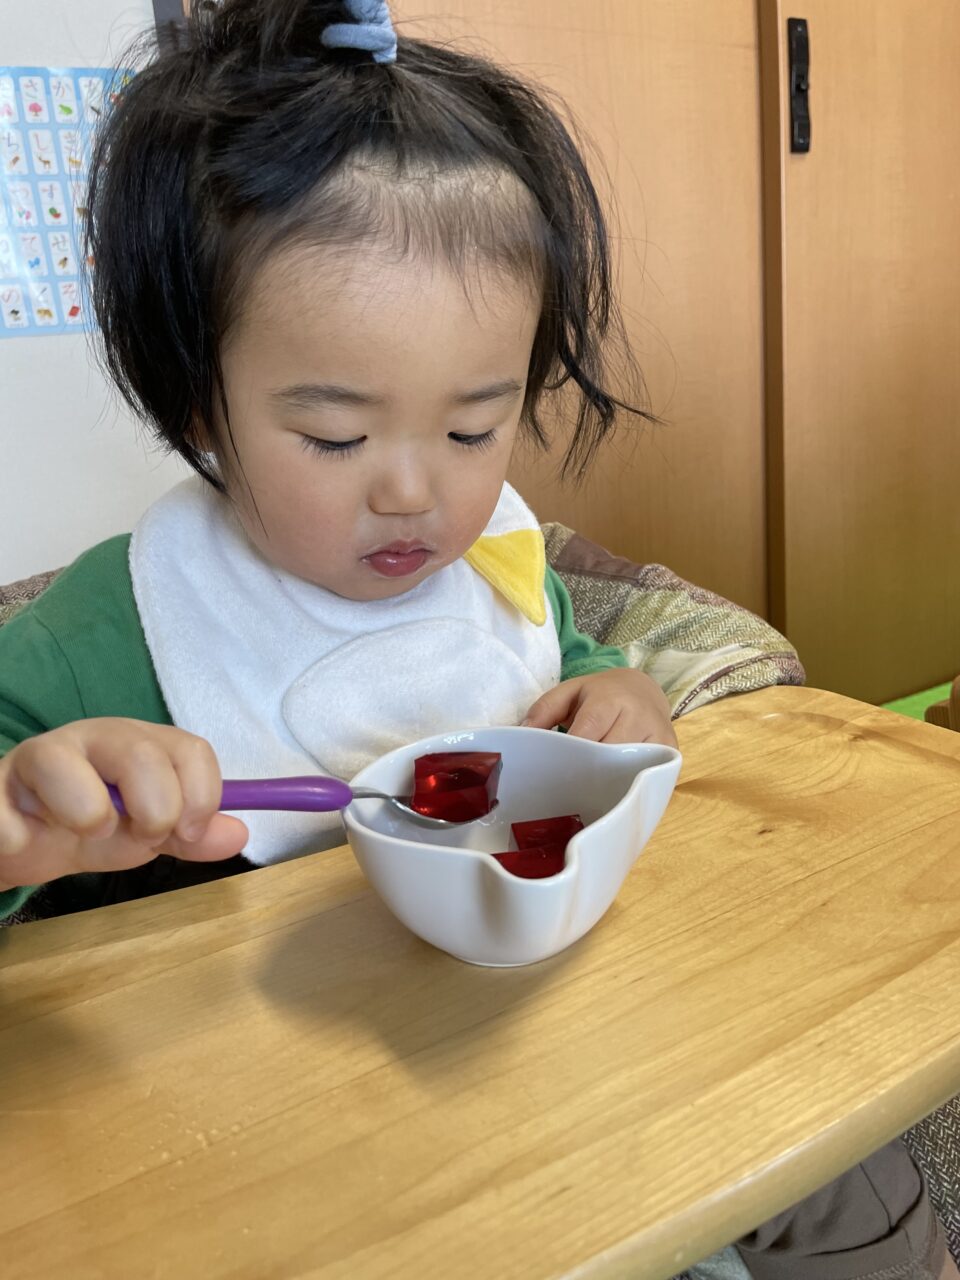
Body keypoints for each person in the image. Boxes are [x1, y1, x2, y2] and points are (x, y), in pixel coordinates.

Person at [0, 4, 953, 1278]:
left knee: (833, 1140)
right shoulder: (112, 630)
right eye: (336, 437)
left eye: (473, 428)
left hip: (568, 1028)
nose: (416, 492)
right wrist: (30, 816)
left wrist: (618, 693)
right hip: (314, 1128)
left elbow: (549, 660)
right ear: (199, 407)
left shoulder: (493, 554)